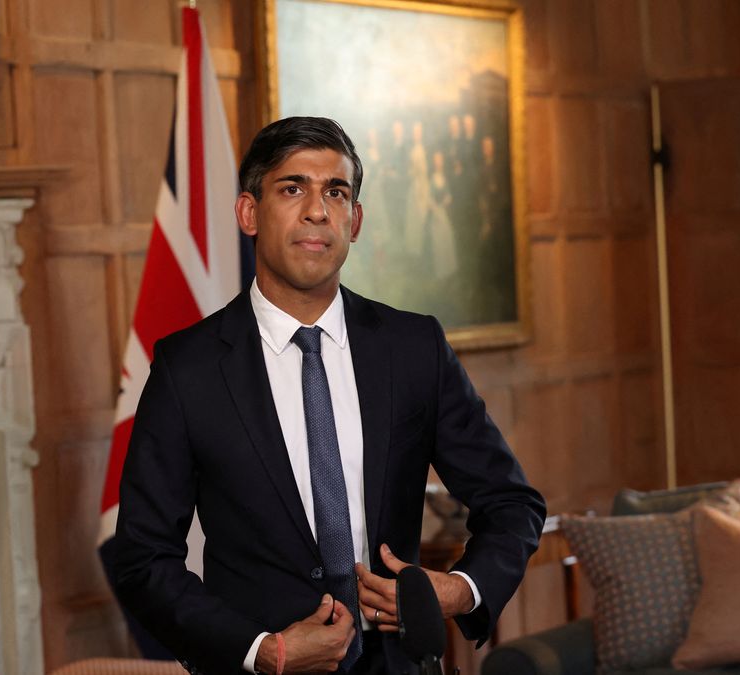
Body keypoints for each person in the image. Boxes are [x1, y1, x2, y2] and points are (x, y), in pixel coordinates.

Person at [110, 117, 545, 675]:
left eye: (335, 193)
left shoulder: (413, 348)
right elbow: (143, 558)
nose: (317, 210)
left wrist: (461, 589)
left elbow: (512, 503)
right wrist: (262, 650)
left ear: (354, 221)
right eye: (293, 189)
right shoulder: (187, 368)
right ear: (249, 213)